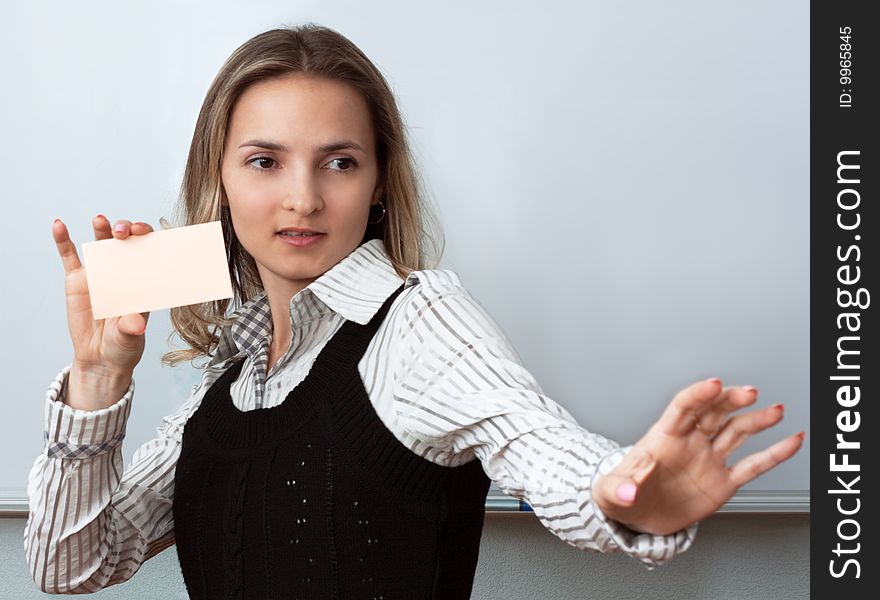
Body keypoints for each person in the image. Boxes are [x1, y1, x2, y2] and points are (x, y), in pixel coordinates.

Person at [25, 23, 804, 598]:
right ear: (220, 184)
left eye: (340, 162)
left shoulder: (420, 321)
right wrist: (97, 379)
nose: (303, 197)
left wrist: (622, 494)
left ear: (376, 186)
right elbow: (69, 565)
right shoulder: (226, 387)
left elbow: (536, 439)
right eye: (265, 161)